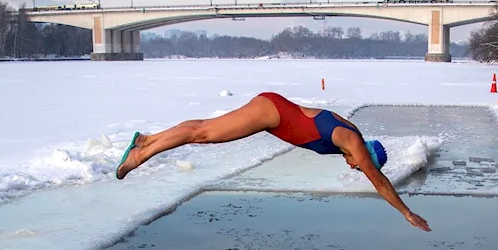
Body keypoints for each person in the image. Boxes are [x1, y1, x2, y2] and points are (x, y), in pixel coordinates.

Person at [115, 92, 431, 231]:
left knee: (202, 130)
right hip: (271, 114)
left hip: (274, 111)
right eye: (359, 165)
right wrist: (406, 212)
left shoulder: (351, 136)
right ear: (366, 157)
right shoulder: (351, 141)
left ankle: (147, 140)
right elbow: (378, 181)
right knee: (203, 134)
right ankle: (141, 152)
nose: (354, 168)